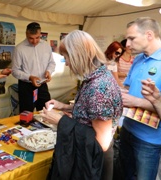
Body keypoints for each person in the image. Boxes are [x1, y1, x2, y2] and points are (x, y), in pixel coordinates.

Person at [40, 30, 123, 180]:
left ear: (77, 56)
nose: (67, 64)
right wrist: (64, 106)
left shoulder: (99, 88)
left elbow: (101, 144)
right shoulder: (95, 77)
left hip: (94, 165)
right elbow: (89, 110)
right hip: (89, 159)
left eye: (66, 58)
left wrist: (60, 121)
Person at [120, 17, 161, 180]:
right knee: (123, 175)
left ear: (149, 35)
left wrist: (137, 102)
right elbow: (128, 89)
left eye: (132, 38)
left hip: (149, 140)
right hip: (128, 129)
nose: (127, 44)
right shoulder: (138, 59)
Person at [12, 22, 56, 113]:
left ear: (40, 34)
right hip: (26, 87)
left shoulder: (46, 46)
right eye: (31, 38)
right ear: (26, 34)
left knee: (46, 112)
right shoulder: (19, 49)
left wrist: (49, 71)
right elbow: (15, 71)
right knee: (26, 115)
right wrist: (30, 77)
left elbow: (52, 63)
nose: (34, 41)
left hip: (42, 85)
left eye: (37, 38)